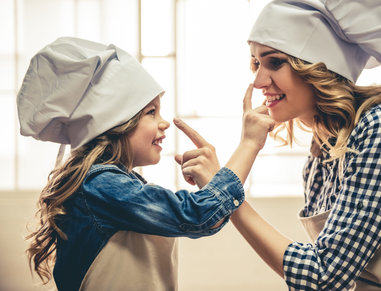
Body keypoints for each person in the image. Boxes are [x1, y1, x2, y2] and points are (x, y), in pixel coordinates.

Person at [220, 0, 381, 290]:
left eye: (275, 62)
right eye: (256, 62)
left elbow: (323, 275)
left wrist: (228, 200)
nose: (258, 80)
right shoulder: (320, 158)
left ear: (318, 67)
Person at [18, 37, 274, 291]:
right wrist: (249, 143)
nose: (163, 123)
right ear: (116, 122)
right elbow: (198, 217)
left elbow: (206, 220)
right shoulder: (102, 185)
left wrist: (213, 187)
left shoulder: (117, 184)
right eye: (151, 112)